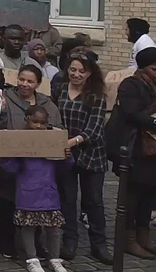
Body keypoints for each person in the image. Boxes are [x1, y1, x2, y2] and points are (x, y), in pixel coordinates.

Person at [0, 106, 73, 272]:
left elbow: (63, 168)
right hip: (27, 193)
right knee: (28, 228)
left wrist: (67, 156)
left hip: (48, 192)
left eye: (42, 123)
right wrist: (3, 158)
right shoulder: (20, 143)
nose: (38, 126)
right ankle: (32, 258)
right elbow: (13, 168)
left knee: (53, 228)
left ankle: (54, 258)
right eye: (35, 121)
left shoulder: (52, 142)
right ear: (27, 120)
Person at [0, 65, 62, 260]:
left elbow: (56, 130)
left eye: (30, 81)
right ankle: (7, 243)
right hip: (13, 160)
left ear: (38, 84)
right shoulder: (5, 99)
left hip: (39, 165)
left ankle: (36, 246)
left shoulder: (48, 104)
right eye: (22, 79)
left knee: (35, 208)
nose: (25, 84)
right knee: (7, 201)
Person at [54, 53, 111, 264]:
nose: (76, 74)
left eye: (81, 71)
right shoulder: (60, 90)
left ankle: (99, 245)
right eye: (73, 70)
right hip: (66, 155)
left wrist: (72, 141)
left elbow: (95, 129)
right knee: (67, 200)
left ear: (89, 73)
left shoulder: (97, 96)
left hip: (91, 154)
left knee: (93, 201)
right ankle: (69, 241)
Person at [105, 47, 156, 259]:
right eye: (154, 68)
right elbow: (132, 113)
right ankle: (128, 239)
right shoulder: (131, 85)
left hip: (152, 150)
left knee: (149, 194)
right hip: (134, 148)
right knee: (133, 195)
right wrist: (153, 121)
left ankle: (144, 235)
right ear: (144, 68)